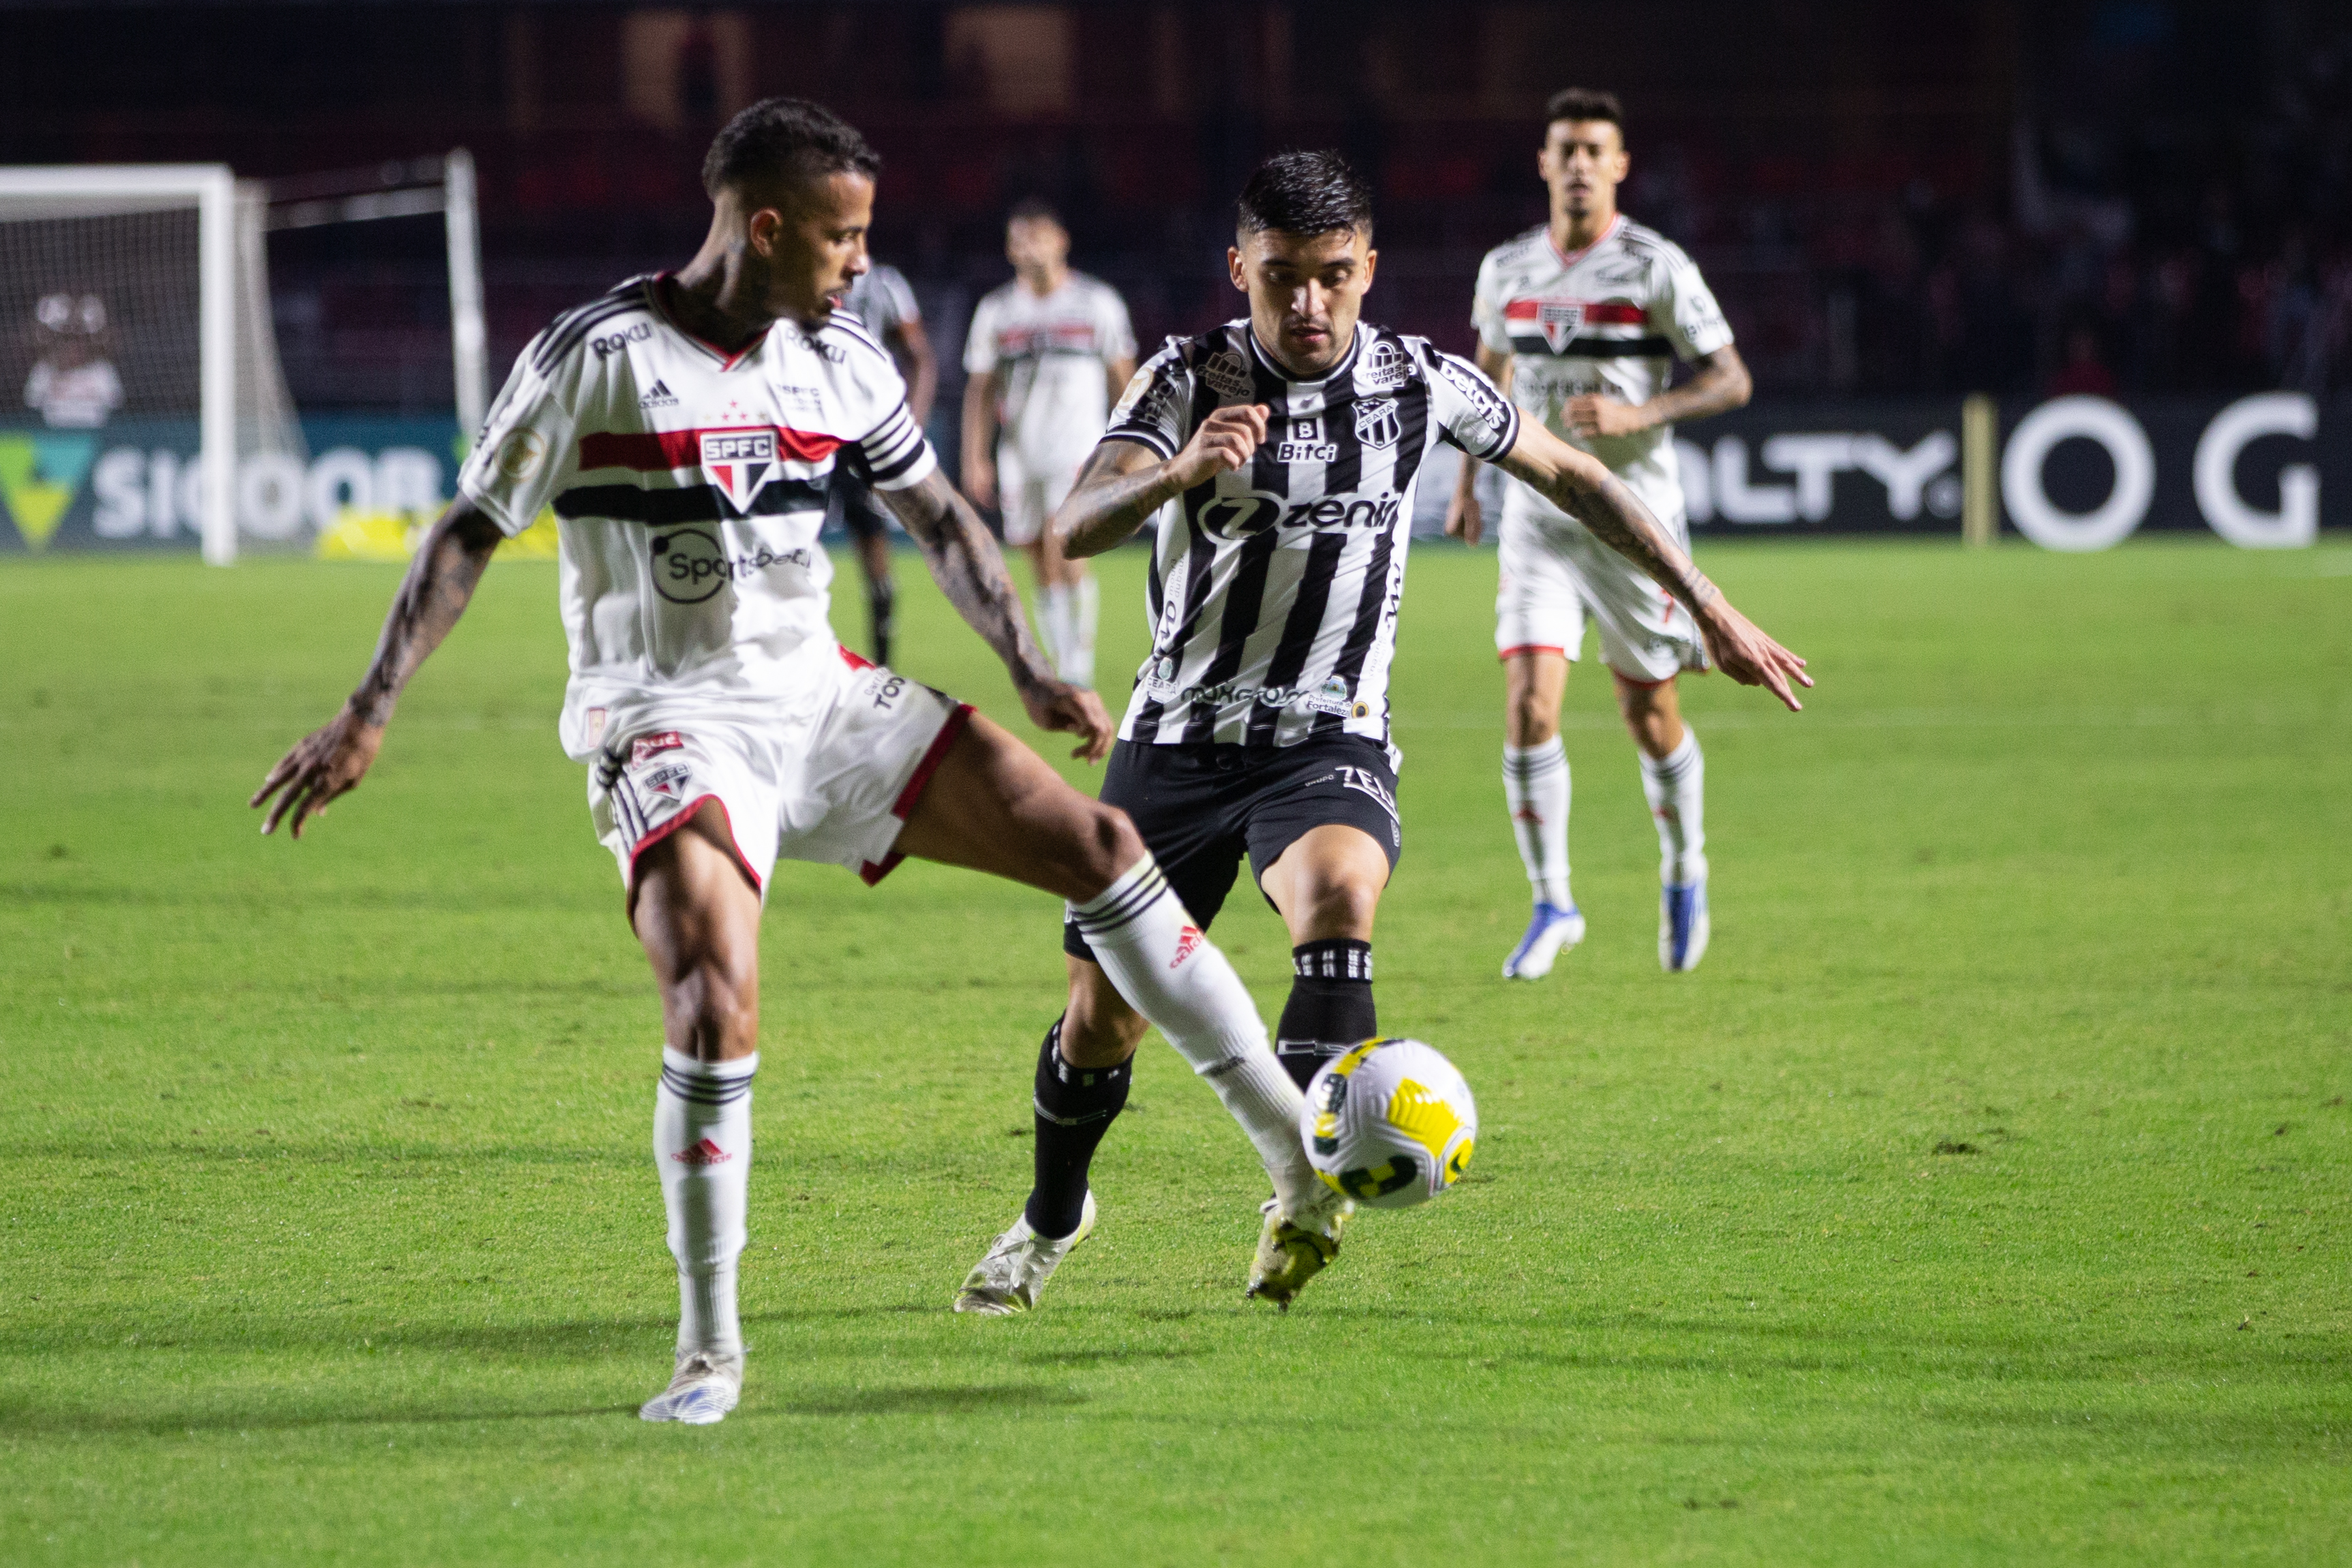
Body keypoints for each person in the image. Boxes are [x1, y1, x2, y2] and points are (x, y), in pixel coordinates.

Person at [250, 99, 1337, 1427]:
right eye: (843, 237)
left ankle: (1296, 1160)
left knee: (1102, 850)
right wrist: (369, 710)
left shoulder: (836, 355)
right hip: (666, 721)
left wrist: (1025, 662)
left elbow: (939, 517)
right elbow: (467, 534)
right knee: (714, 1001)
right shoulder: (593, 358)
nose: (860, 263)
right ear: (766, 229)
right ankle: (709, 1353)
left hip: (821, 703)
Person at [953, 150, 1807, 1319]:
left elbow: (1574, 476)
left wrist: (1704, 601)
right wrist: (1180, 472)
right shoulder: (1185, 376)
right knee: (1102, 1023)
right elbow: (1078, 520)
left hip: (1327, 740)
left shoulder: (1421, 382)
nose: (1308, 305)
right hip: (1178, 740)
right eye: (1282, 280)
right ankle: (1056, 1213)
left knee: (1340, 909)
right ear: (1239, 269)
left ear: (1368, 269)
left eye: (1333, 278)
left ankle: (1302, 1195)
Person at [1446, 87, 1759, 979]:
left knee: (1646, 713)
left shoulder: (1653, 265)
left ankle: (1684, 865)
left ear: (1618, 165)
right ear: (1542, 164)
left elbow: (1730, 378)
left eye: (1594, 150)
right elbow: (1487, 377)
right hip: (1536, 521)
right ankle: (1552, 904)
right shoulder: (1505, 268)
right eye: (1565, 149)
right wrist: (1468, 482)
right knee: (1526, 707)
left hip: (1635, 527)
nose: (1578, 163)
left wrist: (1643, 412)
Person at [960, 199, 1135, 688]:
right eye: (1019, 239)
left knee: (1066, 547)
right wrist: (976, 455)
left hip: (1077, 448)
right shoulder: (998, 311)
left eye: (1038, 236)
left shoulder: (1096, 303)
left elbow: (1123, 377)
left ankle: (1076, 667)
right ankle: (1061, 658)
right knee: (1035, 553)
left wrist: (1130, 447)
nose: (1029, 247)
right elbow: (980, 387)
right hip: (1020, 452)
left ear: (1061, 241)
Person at [828, 260, 937, 664]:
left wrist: (913, 422)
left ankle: (883, 663)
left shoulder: (885, 284)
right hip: (802, 429)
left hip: (862, 430)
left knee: (872, 539)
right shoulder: (795, 278)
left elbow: (921, 356)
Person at [23, 292, 123, 429]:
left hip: (96, 436)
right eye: (67, 342)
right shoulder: (44, 370)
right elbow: (31, 407)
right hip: (53, 437)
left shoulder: (102, 370)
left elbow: (116, 409)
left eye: (78, 343)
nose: (73, 348)